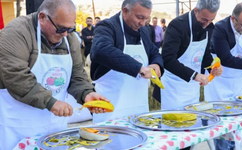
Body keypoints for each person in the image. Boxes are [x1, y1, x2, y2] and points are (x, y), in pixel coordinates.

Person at [0, 0, 108, 149]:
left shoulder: (69, 38)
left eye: (70, 29)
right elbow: (15, 76)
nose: (64, 34)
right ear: (42, 17)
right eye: (60, 29)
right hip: (18, 125)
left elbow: (77, 73)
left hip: (55, 124)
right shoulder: (16, 32)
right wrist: (50, 102)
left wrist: (86, 93)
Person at [90, 0, 164, 123]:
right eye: (139, 17)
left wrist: (156, 64)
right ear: (125, 11)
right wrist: (138, 68)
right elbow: (100, 50)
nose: (142, 23)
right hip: (111, 107)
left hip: (139, 106)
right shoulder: (107, 26)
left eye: (146, 18)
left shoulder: (144, 30)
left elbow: (154, 52)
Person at [153, 0, 223, 110]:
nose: (206, 24)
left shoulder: (209, 27)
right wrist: (194, 75)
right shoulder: (177, 26)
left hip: (192, 88)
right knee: (173, 122)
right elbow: (167, 59)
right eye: (204, 20)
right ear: (196, 11)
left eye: (211, 20)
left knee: (192, 120)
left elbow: (204, 54)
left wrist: (212, 68)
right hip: (173, 87)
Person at [204, 3, 242, 150]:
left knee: (241, 121)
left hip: (240, 82)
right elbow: (226, 58)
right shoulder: (220, 28)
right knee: (222, 123)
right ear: (233, 19)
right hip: (220, 82)